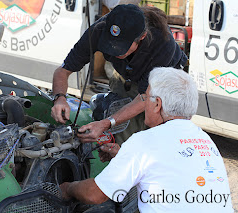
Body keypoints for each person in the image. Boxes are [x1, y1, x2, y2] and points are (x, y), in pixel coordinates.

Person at [59, 67, 234, 212]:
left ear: (157, 104)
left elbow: (94, 194)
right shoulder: (204, 139)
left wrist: (68, 188)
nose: (144, 104)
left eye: (146, 98)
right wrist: (125, 157)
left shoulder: (144, 141)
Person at [51, 4, 188, 144]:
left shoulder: (162, 43)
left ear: (142, 37)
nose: (114, 50)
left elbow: (146, 97)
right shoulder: (99, 30)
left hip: (165, 80)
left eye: (121, 46)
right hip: (127, 73)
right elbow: (63, 70)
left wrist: (106, 123)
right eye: (110, 44)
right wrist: (59, 98)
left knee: (146, 135)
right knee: (117, 128)